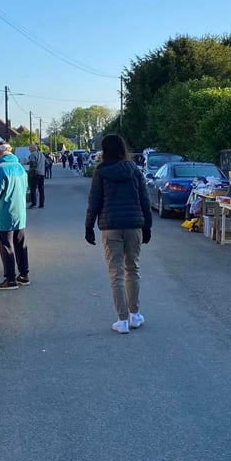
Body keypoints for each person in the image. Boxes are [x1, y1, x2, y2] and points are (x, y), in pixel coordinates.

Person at [84, 133, 152, 334]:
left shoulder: (101, 172)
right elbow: (145, 201)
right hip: (134, 225)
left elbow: (94, 201)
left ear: (105, 150)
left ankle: (122, 320)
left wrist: (89, 226)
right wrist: (147, 226)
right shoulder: (134, 170)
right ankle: (135, 314)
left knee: (116, 272)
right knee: (133, 269)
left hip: (110, 226)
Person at [0, 143, 29, 290]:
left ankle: (10, 279)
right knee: (20, 243)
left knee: (6, 245)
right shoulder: (19, 167)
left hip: (5, 211)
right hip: (19, 211)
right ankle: (24, 275)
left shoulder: (0, 168)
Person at [27, 144, 46, 208]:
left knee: (33, 189)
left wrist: (29, 172)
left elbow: (33, 165)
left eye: (30, 149)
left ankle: (34, 203)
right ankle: (41, 204)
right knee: (41, 189)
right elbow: (46, 163)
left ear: (33, 149)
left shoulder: (33, 154)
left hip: (35, 174)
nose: (29, 150)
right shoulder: (42, 154)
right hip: (42, 173)